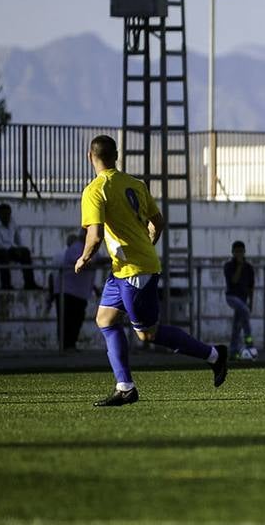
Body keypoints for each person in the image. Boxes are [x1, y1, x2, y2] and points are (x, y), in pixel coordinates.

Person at [75, 134, 227, 406]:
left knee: (148, 334)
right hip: (125, 268)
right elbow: (157, 221)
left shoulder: (95, 190)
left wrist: (83, 257)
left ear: (90, 156)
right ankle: (125, 387)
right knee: (105, 319)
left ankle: (215, 355)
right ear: (117, 156)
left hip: (134, 271)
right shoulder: (134, 184)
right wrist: (148, 243)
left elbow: (94, 235)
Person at [0, 203, 42, 290]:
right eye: (5, 214)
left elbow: (18, 239)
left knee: (25, 252)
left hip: (8, 247)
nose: (7, 216)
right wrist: (13, 249)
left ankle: (29, 283)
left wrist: (20, 249)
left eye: (9, 214)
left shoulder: (12, 222)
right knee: (3, 254)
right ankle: (6, 285)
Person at [54, 232, 98, 351]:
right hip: (67, 291)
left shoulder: (87, 248)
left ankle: (71, 345)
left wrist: (94, 287)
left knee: (77, 319)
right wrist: (104, 261)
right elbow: (85, 264)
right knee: (67, 319)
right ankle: (65, 345)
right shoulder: (76, 248)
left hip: (80, 292)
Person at [223, 240, 259, 361]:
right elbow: (233, 281)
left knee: (237, 325)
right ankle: (250, 344)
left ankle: (233, 352)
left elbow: (251, 287)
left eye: (241, 251)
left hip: (243, 299)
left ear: (244, 252)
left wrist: (251, 302)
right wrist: (239, 266)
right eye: (237, 251)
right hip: (232, 297)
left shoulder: (249, 267)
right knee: (244, 311)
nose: (239, 254)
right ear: (233, 252)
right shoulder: (229, 266)